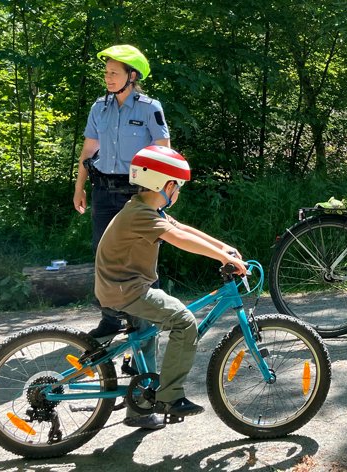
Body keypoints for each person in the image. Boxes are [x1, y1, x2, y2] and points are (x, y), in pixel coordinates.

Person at [95, 145, 247, 429]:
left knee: (146, 339)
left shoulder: (144, 208)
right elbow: (178, 238)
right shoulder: (142, 215)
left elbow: (183, 229)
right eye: (177, 186)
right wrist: (222, 258)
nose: (178, 192)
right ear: (165, 185)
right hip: (127, 291)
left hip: (122, 287)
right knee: (183, 321)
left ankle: (140, 409)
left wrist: (223, 247)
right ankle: (170, 397)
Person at [73, 44, 171, 338]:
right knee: (103, 255)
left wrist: (162, 193)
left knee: (141, 258)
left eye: (114, 73)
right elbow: (89, 149)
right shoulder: (98, 108)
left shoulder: (150, 108)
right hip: (103, 192)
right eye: (106, 72)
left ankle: (145, 324)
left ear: (132, 75)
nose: (108, 77)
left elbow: (163, 152)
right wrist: (79, 186)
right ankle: (110, 319)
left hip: (138, 193)